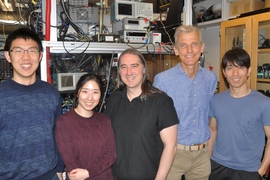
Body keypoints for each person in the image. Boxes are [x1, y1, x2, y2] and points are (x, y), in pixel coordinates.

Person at [103, 48, 179, 180]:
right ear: (119, 71)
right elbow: (103, 137)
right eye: (124, 67)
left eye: (134, 66)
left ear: (144, 69)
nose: (129, 72)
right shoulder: (115, 99)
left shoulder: (161, 101)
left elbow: (171, 146)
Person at [153, 25, 218, 180]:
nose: (189, 50)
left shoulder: (211, 78)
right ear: (176, 50)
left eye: (194, 44)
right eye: (183, 45)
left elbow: (209, 116)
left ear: (202, 47)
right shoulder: (162, 81)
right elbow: (154, 123)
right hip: (173, 153)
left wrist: (208, 151)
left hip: (201, 155)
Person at [0, 27, 64, 179]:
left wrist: (60, 169)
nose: (26, 57)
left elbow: (58, 134)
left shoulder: (51, 94)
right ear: (7, 56)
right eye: (18, 50)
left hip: (49, 175)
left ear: (40, 55)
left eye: (32, 50)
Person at [208, 48, 270, 180]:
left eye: (240, 67)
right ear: (224, 72)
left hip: (248, 171)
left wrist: (261, 170)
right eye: (230, 68)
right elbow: (213, 130)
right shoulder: (215, 100)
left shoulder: (264, 103)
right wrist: (209, 159)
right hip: (217, 167)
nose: (235, 73)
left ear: (249, 71)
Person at [55, 73, 116, 180]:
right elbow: (70, 162)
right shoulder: (64, 122)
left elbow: (111, 154)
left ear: (101, 95)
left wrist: (88, 172)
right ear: (77, 92)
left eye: (95, 92)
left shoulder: (104, 120)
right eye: (85, 91)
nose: (90, 98)